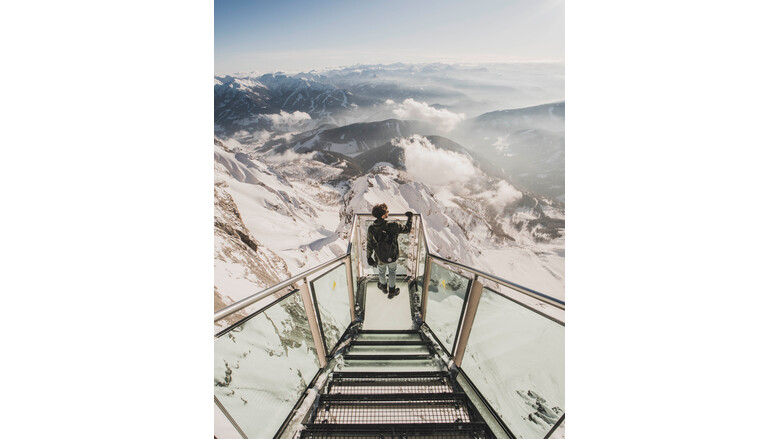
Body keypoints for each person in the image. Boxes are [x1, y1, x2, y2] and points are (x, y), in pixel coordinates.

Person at [366, 204, 413, 297]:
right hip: (392, 255)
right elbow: (407, 229)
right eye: (387, 211)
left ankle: (383, 287)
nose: (388, 212)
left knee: (381, 271)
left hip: (379, 257)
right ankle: (392, 291)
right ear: (383, 215)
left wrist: (369, 257)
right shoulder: (393, 225)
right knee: (392, 272)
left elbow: (369, 244)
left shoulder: (371, 228)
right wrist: (410, 218)